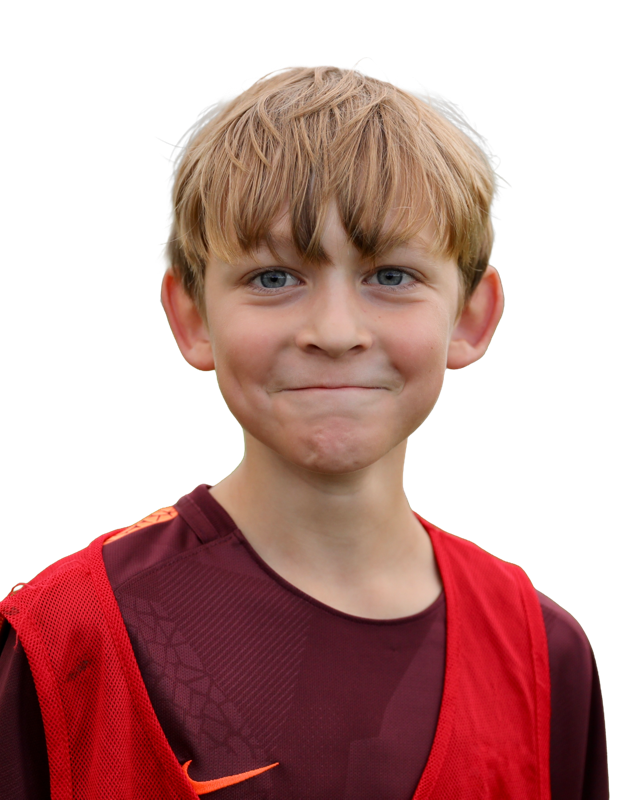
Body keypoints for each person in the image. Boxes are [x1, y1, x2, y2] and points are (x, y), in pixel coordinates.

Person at [0, 57, 608, 799]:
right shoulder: (67, 635)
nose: (336, 331)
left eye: (390, 276)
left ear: (471, 316)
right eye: (274, 278)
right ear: (191, 316)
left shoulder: (544, 654)